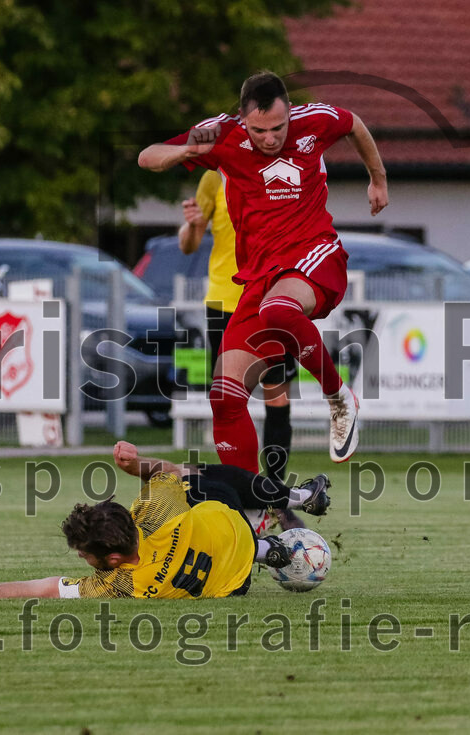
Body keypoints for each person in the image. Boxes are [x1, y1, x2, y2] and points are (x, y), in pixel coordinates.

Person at [139, 71, 388, 472]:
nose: (270, 139)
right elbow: (146, 157)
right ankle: (255, 507)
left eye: (278, 128)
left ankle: (340, 398)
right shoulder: (220, 135)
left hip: (314, 256)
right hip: (258, 279)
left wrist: (378, 179)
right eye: (259, 131)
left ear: (290, 112)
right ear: (242, 118)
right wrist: (185, 151)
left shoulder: (313, 120)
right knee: (224, 396)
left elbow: (354, 124)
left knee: (279, 313)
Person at [0, 442, 331, 600]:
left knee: (195, 485)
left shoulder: (118, 584)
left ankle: (268, 550)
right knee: (197, 474)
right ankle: (294, 499)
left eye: (83, 555)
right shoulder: (152, 513)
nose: (82, 560)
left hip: (232, 584)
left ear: (112, 558)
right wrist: (137, 466)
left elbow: (42, 587)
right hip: (232, 528)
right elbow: (168, 469)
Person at [179, 169, 304, 531]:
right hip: (224, 303)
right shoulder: (212, 179)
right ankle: (246, 501)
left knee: (277, 397)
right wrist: (192, 225)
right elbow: (188, 244)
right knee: (229, 404)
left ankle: (277, 500)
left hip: (270, 300)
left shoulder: (281, 172)